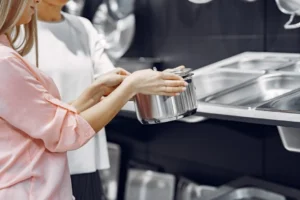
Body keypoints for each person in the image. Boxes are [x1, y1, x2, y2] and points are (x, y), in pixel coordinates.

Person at [0, 0, 188, 199]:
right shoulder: (10, 52)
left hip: (63, 166)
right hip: (36, 179)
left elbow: (47, 115)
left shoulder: (80, 27)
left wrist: (98, 92)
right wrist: (131, 86)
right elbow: (61, 128)